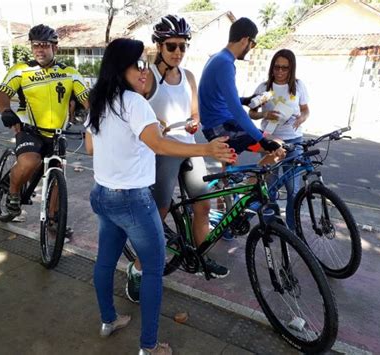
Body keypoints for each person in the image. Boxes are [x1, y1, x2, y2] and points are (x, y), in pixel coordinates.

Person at [85, 38, 235, 355]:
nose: (144, 71)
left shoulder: (99, 100)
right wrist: (205, 148)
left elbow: (91, 147)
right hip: (132, 201)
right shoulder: (135, 103)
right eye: (138, 64)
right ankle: (149, 347)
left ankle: (107, 321)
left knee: (105, 261)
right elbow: (159, 146)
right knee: (153, 269)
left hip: (102, 195)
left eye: (144, 64)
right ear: (120, 67)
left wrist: (142, 136)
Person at [125, 14, 229, 305]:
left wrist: (194, 123)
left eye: (183, 46)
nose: (178, 53)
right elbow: (132, 108)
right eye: (171, 46)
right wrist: (153, 121)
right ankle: (138, 269)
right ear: (158, 45)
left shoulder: (189, 77)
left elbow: (195, 114)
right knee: (157, 214)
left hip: (190, 148)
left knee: (203, 206)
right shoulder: (147, 78)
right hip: (163, 151)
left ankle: (200, 258)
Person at [0, 24, 89, 230]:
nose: (39, 49)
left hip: (57, 133)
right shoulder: (21, 70)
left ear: (55, 48)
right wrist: (5, 111)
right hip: (29, 129)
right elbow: (2, 94)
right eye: (35, 45)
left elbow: (86, 98)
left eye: (44, 45)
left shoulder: (70, 73)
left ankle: (54, 220)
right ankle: (13, 192)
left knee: (57, 175)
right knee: (30, 161)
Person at [198, 17, 283, 157]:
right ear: (245, 40)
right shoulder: (226, 64)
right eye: (253, 43)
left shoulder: (216, 58)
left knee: (230, 173)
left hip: (213, 126)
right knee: (279, 145)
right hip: (222, 128)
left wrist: (245, 100)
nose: (251, 48)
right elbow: (236, 110)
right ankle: (255, 180)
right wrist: (262, 140)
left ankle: (227, 178)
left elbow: (218, 95)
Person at [249, 49, 310, 230]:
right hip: (270, 142)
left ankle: (293, 229)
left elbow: (306, 109)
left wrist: (301, 118)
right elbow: (251, 113)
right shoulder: (263, 88)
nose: (280, 71)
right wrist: (264, 113)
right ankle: (272, 226)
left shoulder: (298, 86)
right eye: (277, 67)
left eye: (285, 68)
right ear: (272, 67)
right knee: (270, 187)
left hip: (294, 140)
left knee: (294, 189)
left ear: (291, 69)